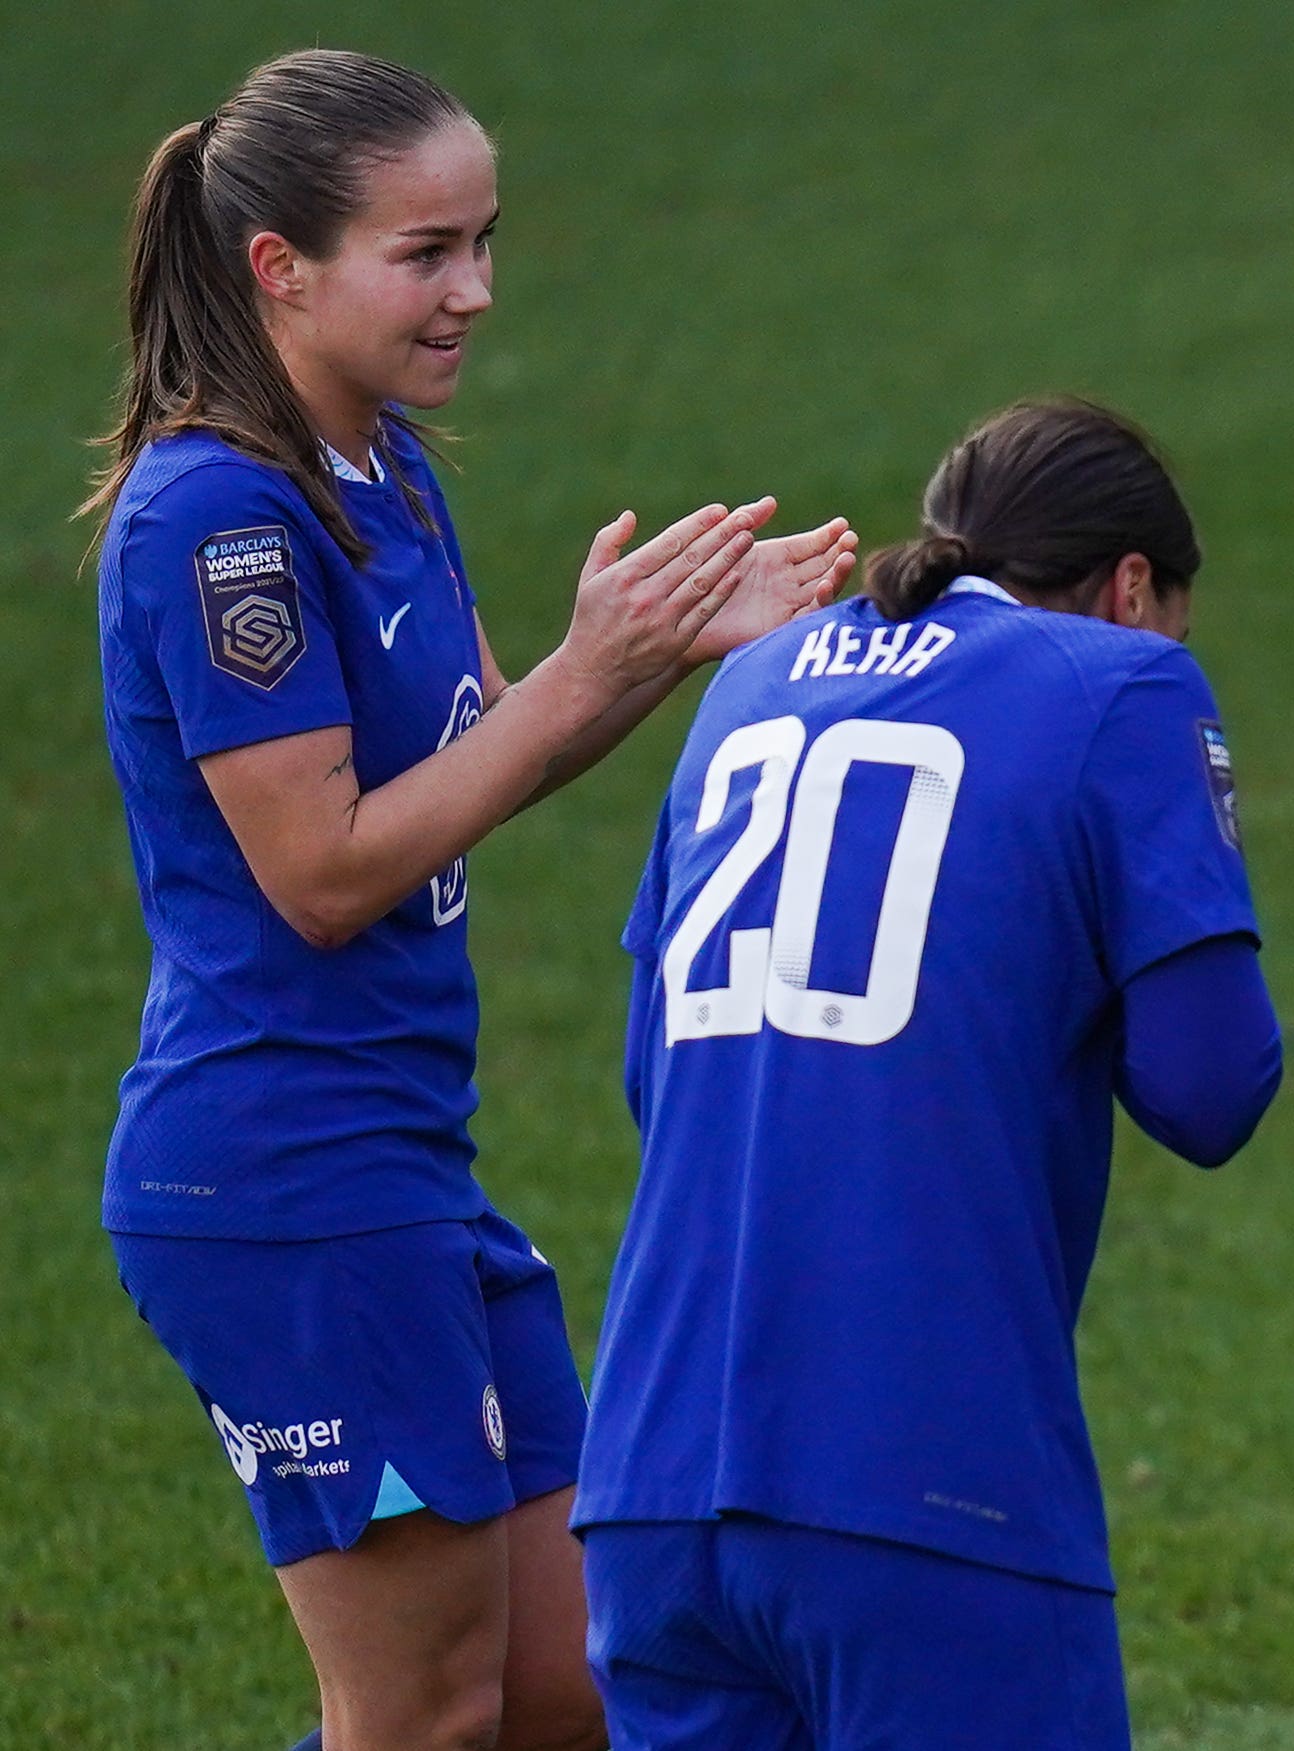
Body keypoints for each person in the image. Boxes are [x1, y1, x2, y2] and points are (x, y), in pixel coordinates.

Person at [91, 50, 855, 1751]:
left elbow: (483, 758)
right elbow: (328, 872)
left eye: (483, 240)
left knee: (577, 1694)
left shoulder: (383, 470)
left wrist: (653, 657)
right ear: (279, 268)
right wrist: (597, 667)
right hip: (286, 1180)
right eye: (425, 252)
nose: (476, 292)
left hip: (401, 1161)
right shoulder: (219, 520)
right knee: (426, 1715)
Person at [572, 398, 1283, 1749]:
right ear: (1133, 588)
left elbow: (648, 1074)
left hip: (650, 1489)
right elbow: (1211, 1088)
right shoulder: (1121, 682)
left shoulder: (746, 682)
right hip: (925, 1484)